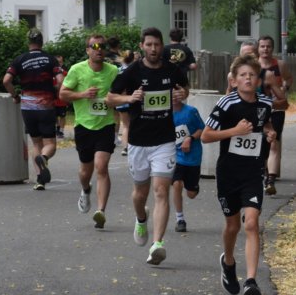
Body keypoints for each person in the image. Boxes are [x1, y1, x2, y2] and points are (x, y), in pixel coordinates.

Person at [106, 27, 189, 265]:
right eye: (149, 44)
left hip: (164, 141)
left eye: (157, 44)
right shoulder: (132, 71)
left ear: (162, 46)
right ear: (142, 46)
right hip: (139, 142)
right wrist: (129, 98)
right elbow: (110, 98)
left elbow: (185, 89)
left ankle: (157, 244)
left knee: (161, 191)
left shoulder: (172, 69)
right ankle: (141, 219)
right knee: (140, 194)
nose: (153, 49)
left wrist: (181, 94)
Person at [203, 55, 276, 295]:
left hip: (253, 173)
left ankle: (251, 281)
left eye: (252, 75)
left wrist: (269, 133)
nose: (248, 79)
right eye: (243, 75)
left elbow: (266, 124)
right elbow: (206, 135)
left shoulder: (265, 103)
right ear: (234, 81)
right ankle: (228, 261)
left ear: (258, 81)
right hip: (228, 174)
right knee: (233, 226)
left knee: (252, 223)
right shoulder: (226, 103)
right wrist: (235, 131)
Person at [60, 33, 120, 228]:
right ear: (87, 50)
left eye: (102, 46)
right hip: (84, 126)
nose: (99, 50)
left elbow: (121, 93)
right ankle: (86, 189)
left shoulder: (113, 71)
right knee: (85, 171)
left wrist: (116, 100)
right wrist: (83, 94)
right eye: (94, 47)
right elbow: (63, 94)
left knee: (101, 167)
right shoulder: (77, 70)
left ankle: (101, 211)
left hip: (106, 125)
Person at [2, 29, 63, 190]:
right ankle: (44, 158)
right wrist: (56, 92)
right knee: (50, 144)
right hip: (46, 106)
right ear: (42, 42)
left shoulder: (19, 60)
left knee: (36, 142)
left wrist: (15, 96)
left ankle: (39, 180)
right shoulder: (50, 59)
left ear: (28, 42)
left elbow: (6, 80)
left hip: (27, 107)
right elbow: (60, 80)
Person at [257, 34, 292, 196]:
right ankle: (265, 172)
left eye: (268, 46)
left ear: (272, 48)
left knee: (273, 142)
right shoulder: (253, 67)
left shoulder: (280, 65)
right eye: (262, 46)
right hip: (258, 110)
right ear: (258, 49)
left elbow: (289, 79)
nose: (265, 49)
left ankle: (270, 179)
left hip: (276, 108)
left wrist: (284, 88)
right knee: (262, 145)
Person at [171, 84, 205, 233]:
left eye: (176, 93)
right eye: (171, 93)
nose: (174, 96)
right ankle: (180, 219)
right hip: (175, 156)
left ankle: (193, 187)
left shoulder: (191, 111)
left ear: (182, 94)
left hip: (192, 156)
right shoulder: (164, 114)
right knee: (176, 184)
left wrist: (190, 138)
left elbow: (202, 129)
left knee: (191, 194)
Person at [54, 54, 68, 139]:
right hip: (53, 98)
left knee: (62, 116)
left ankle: (61, 131)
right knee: (54, 115)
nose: (60, 64)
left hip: (62, 98)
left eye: (61, 62)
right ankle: (57, 128)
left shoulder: (65, 72)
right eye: (58, 62)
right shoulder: (51, 71)